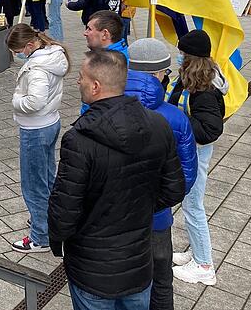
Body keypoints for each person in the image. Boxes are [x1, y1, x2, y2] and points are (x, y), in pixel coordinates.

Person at [48, 50, 185, 310]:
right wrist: (140, 209)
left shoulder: (79, 139)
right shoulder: (158, 124)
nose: (78, 82)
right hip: (138, 264)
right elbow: (175, 188)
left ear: (96, 86)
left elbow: (63, 211)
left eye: (81, 77)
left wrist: (60, 241)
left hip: (92, 268)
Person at [126, 38, 198, 310]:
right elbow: (186, 177)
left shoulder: (101, 107)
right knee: (161, 280)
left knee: (123, 281)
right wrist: (160, 201)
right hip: (157, 218)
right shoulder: (175, 118)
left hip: (113, 220)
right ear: (158, 74)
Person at [169, 30, 227, 287]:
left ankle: (204, 265)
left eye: (182, 54)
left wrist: (179, 121)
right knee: (191, 204)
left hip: (195, 152)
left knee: (193, 207)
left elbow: (210, 130)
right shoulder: (194, 78)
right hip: (187, 149)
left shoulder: (204, 90)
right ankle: (196, 253)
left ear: (192, 58)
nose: (179, 57)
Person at [6, 24, 68, 253]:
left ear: (30, 45)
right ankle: (48, 220)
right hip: (50, 121)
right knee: (47, 176)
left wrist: (16, 101)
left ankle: (41, 235)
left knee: (33, 184)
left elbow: (34, 102)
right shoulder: (53, 55)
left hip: (35, 128)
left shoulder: (37, 68)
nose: (18, 55)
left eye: (19, 50)